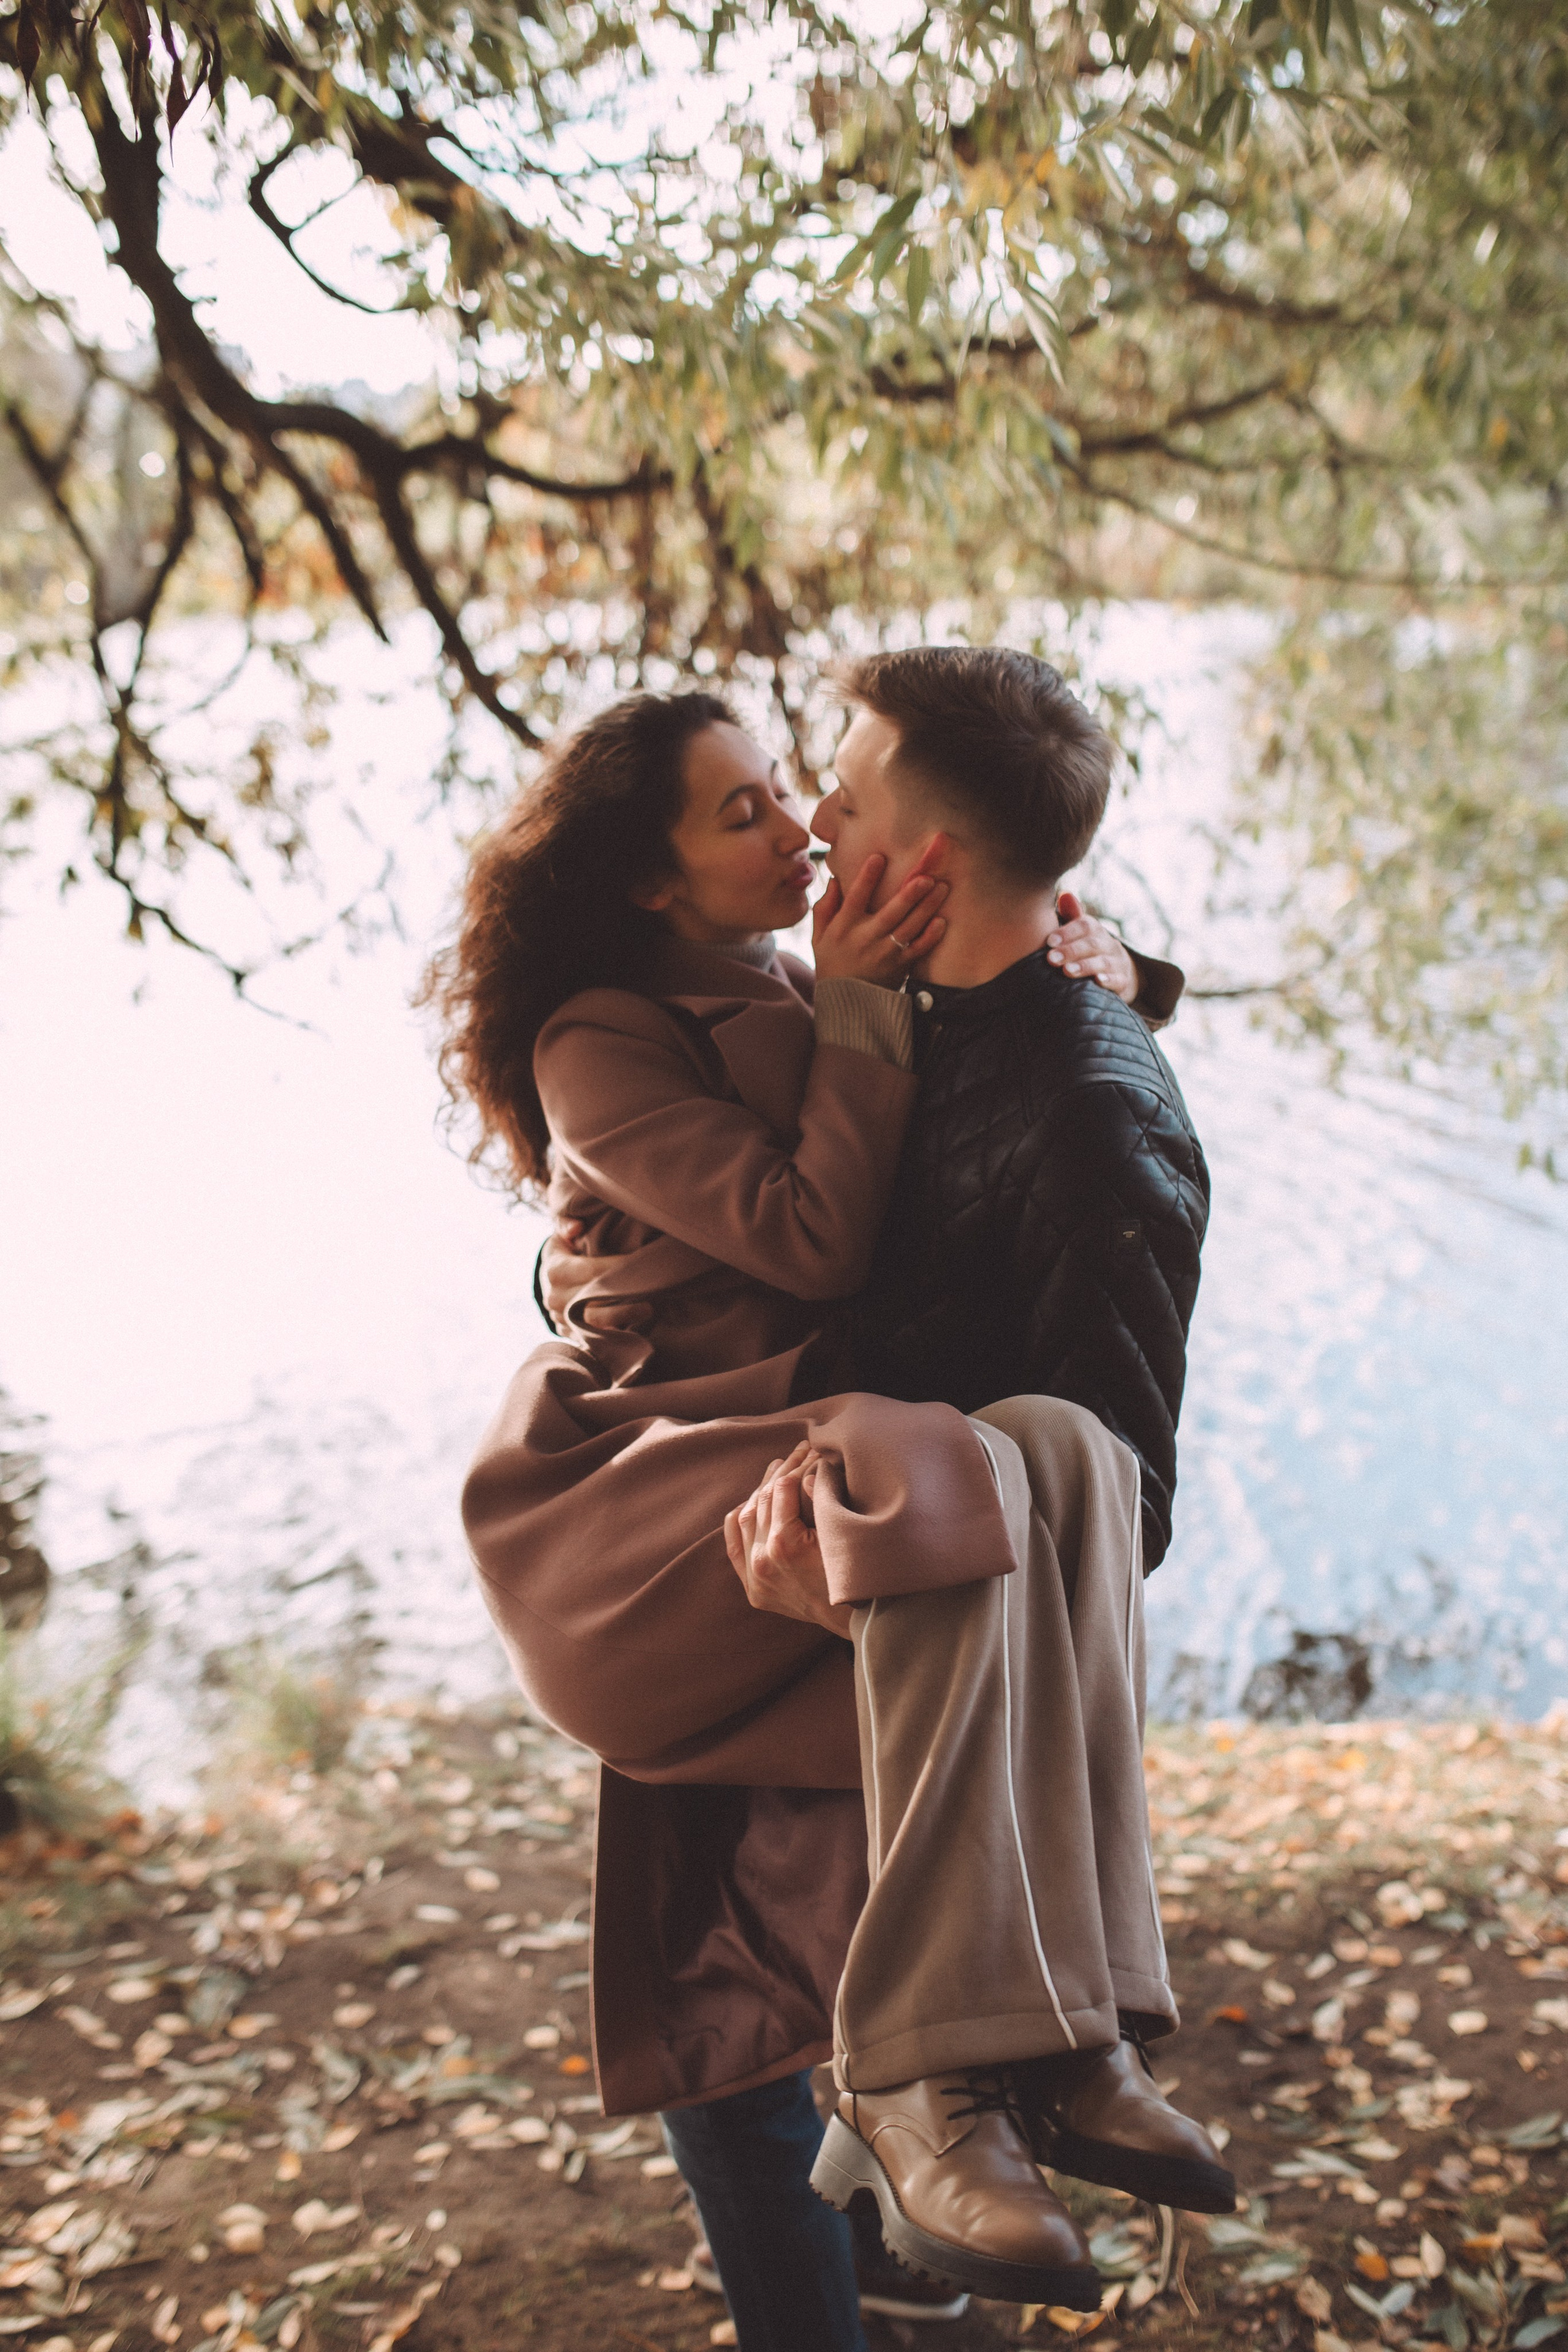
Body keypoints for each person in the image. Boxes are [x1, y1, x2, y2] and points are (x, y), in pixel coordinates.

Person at [424, 673, 1216, 2352]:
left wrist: (1122, 970)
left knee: (1027, 1509)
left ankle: (1026, 2077)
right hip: (652, 1506)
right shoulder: (603, 1036)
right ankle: (849, 2261)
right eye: (748, 811)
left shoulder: (798, 977)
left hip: (793, 1479)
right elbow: (810, 1238)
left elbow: (1002, 1015)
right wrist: (861, 1003)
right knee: (726, 1965)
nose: (800, 825)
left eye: (798, 787)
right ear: (649, 880)